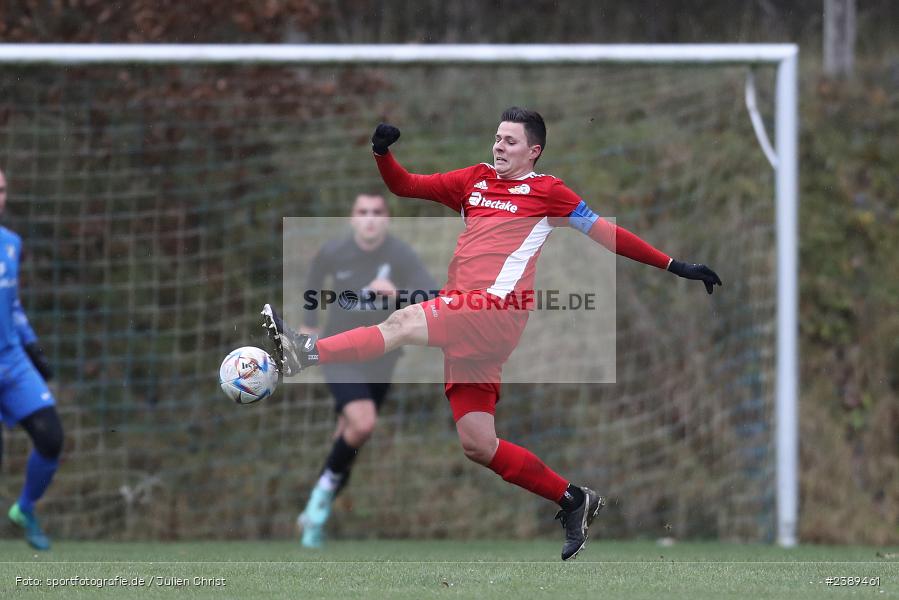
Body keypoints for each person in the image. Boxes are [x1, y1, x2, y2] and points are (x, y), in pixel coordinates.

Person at [263, 107, 721, 560]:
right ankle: (573, 499)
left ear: (533, 151)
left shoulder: (549, 193)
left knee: (400, 322)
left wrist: (675, 265)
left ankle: (305, 353)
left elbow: (607, 234)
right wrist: (382, 152)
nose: (499, 146)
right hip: (468, 318)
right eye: (497, 138)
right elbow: (405, 185)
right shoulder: (473, 181)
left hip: (494, 310)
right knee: (478, 443)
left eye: (510, 141)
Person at [296, 192, 437, 548]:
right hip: (340, 354)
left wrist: (399, 295)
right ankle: (320, 501)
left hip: (382, 359)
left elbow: (433, 294)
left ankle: (315, 513)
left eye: (377, 212)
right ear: (352, 218)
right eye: (363, 211)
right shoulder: (335, 251)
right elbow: (313, 279)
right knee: (363, 422)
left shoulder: (400, 254)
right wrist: (309, 326)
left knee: (349, 433)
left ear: (387, 218)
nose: (370, 218)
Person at [0, 168, 61, 551]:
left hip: (11, 360)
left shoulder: (11, 243)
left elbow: (14, 304)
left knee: (51, 437)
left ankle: (25, 509)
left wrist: (34, 348)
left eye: (2, 189)